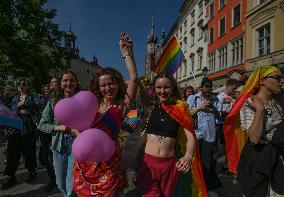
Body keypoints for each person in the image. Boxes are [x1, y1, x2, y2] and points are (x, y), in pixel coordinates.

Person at [73, 32, 138, 197]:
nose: (107, 88)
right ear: (98, 87)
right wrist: (79, 136)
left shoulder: (121, 106)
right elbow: (74, 126)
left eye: (111, 84)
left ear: (117, 85)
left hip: (110, 161)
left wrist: (126, 52)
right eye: (103, 85)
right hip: (86, 161)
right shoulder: (90, 104)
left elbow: (134, 79)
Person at [138, 73, 207, 197]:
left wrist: (187, 156)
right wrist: (128, 56)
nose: (162, 91)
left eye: (166, 87)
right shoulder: (151, 106)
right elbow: (134, 79)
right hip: (148, 164)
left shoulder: (180, 109)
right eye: (159, 87)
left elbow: (191, 137)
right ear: (154, 89)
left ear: (173, 88)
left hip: (170, 166)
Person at [224, 65, 284, 197]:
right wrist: (260, 110)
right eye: (278, 78)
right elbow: (254, 138)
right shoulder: (249, 103)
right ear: (262, 80)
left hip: (278, 158)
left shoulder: (279, 100)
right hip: (257, 159)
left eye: (282, 77)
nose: (282, 81)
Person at [38, 71, 79, 197]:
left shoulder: (82, 101)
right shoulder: (53, 102)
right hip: (58, 146)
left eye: (71, 80)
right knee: (60, 183)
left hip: (77, 146)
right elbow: (42, 124)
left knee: (71, 184)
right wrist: (59, 127)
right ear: (61, 83)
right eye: (65, 80)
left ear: (76, 83)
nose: (68, 83)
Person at [1, 78, 38, 190]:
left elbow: (37, 105)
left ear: (27, 86)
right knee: (12, 153)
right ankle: (11, 176)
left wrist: (25, 102)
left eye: (24, 84)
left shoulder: (32, 96)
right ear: (17, 87)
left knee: (29, 151)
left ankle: (32, 172)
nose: (21, 86)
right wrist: (19, 108)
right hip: (15, 127)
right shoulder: (15, 98)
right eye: (19, 84)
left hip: (28, 127)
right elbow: (12, 109)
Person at [187, 78, 222, 196]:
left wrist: (214, 108)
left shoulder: (215, 99)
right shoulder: (193, 98)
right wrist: (199, 107)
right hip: (196, 134)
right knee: (194, 160)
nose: (207, 93)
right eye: (205, 91)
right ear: (201, 88)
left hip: (210, 134)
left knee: (207, 162)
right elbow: (187, 114)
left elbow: (219, 116)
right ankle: (194, 184)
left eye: (209, 91)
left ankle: (208, 187)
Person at [38, 80, 58, 193]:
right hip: (45, 130)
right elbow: (40, 113)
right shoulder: (43, 98)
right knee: (48, 157)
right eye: (51, 83)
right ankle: (52, 179)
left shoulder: (61, 98)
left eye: (55, 82)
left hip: (56, 132)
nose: (52, 84)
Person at [215, 79, 239, 170]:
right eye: (233, 88)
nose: (234, 90)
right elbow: (216, 112)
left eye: (235, 89)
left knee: (229, 145)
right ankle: (212, 162)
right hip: (221, 125)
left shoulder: (231, 97)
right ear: (228, 85)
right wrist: (225, 112)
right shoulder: (220, 97)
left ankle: (226, 165)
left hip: (229, 124)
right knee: (222, 148)